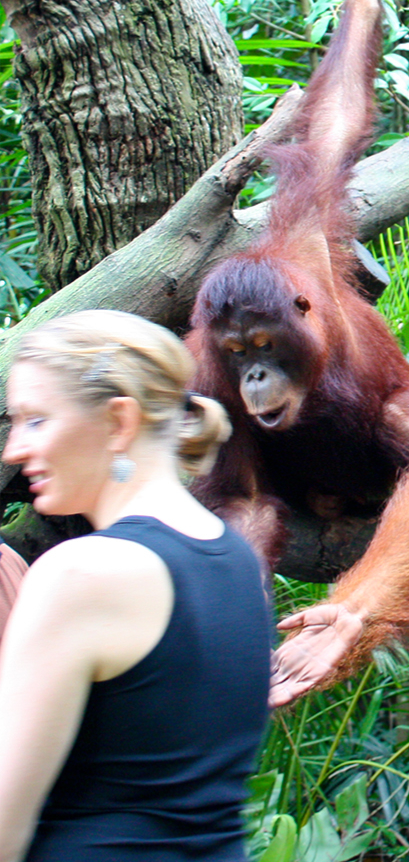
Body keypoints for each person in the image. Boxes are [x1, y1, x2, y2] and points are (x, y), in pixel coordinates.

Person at [0, 310, 271, 862]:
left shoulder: (82, 574)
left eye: (35, 421)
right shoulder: (236, 559)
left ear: (119, 422)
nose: (13, 450)